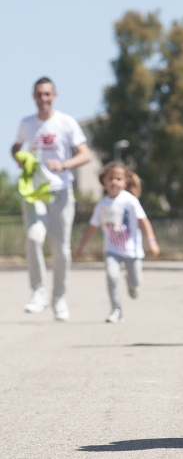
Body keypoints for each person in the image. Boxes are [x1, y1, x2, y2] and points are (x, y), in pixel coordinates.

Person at [11, 77, 92, 321]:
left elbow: (85, 154)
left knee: (61, 251)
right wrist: (21, 157)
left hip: (61, 193)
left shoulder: (66, 122)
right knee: (34, 239)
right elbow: (15, 147)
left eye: (47, 94)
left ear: (54, 96)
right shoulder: (27, 123)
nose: (43, 99)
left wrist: (64, 164)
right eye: (39, 94)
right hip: (35, 194)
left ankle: (59, 298)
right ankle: (38, 292)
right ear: (33, 97)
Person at [74, 162, 160, 322]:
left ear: (125, 182)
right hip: (112, 249)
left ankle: (131, 282)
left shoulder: (130, 200)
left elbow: (144, 221)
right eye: (110, 178)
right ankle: (116, 310)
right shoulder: (101, 205)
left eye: (118, 178)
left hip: (132, 250)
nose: (114, 182)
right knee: (112, 276)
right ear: (104, 181)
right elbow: (92, 228)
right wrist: (81, 246)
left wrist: (151, 241)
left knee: (136, 284)